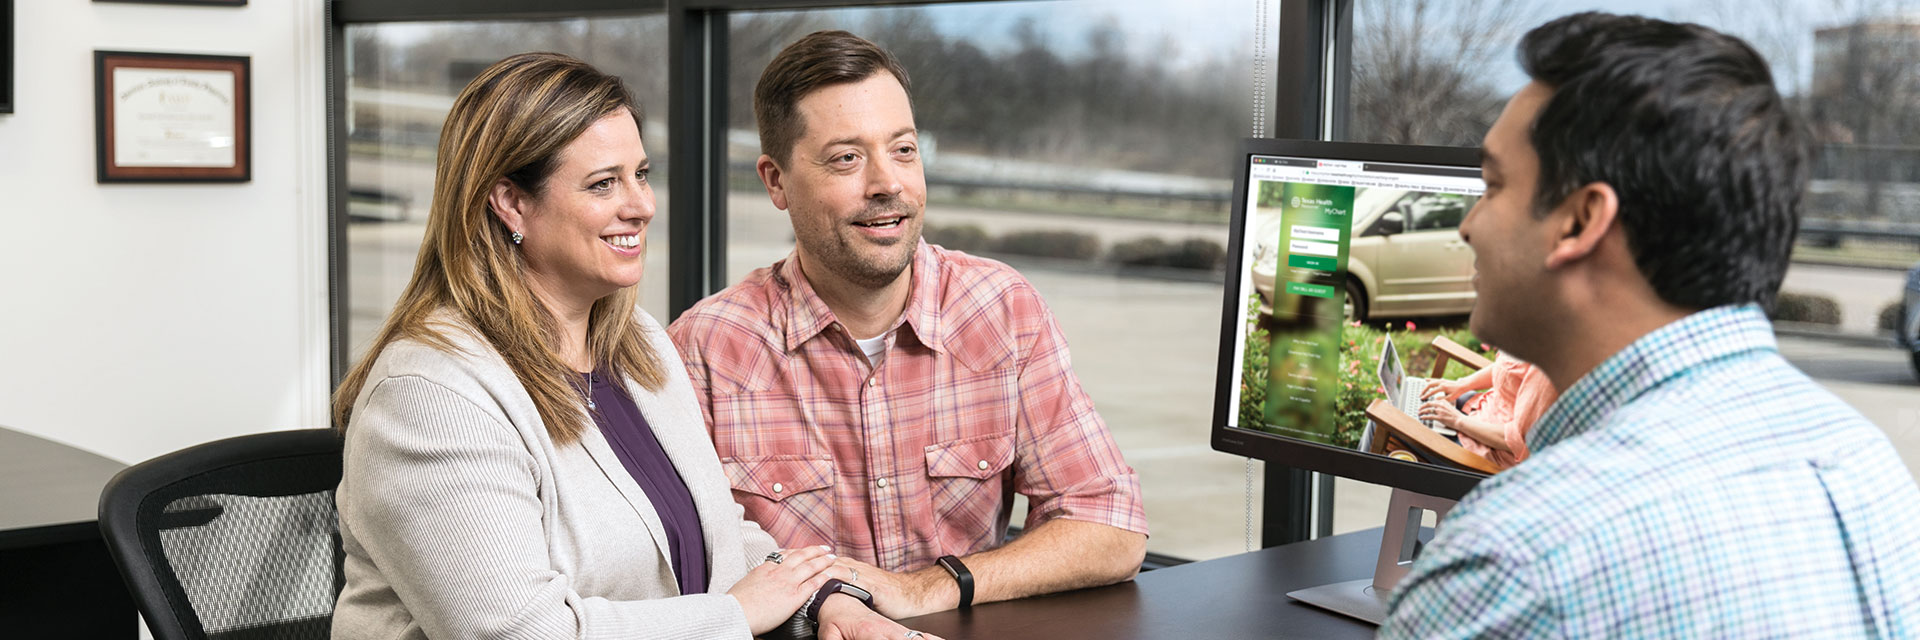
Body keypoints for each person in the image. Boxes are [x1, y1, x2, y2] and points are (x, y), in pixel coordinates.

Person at [329, 52, 934, 640]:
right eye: (603, 184)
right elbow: (520, 632)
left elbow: (719, 533)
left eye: (640, 175)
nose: (641, 205)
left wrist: (827, 604)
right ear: (511, 201)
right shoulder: (430, 395)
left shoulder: (634, 343)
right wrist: (734, 618)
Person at [1380, 12, 1920, 638]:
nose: (1469, 224)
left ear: (1581, 222)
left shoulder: (1512, 562)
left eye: (1494, 186)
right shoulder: (1869, 467)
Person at [668, 30, 1149, 619]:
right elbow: (681, 566)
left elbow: (1109, 523)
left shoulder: (1002, 310)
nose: (888, 184)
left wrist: (928, 588)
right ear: (775, 182)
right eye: (846, 158)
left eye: (903, 149)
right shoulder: (706, 349)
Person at [1416, 351, 1556, 470]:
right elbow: (1507, 367)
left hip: (1492, 453)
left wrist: (1457, 420)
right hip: (1479, 409)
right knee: (1416, 401)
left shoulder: (1548, 370)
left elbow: (1520, 440)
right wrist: (1462, 384)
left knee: (1408, 435)